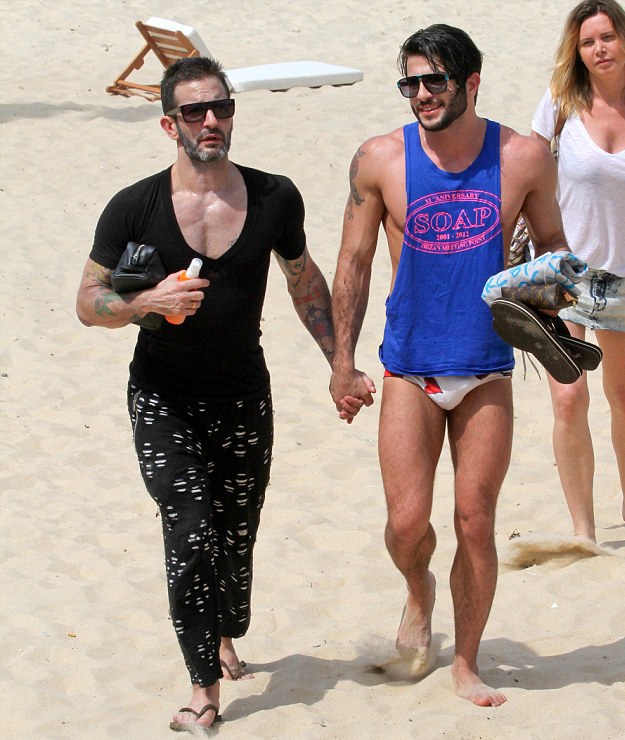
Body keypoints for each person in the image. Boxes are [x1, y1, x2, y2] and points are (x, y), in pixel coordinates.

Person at [76, 56, 342, 734]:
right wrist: (146, 302)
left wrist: (339, 363)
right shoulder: (134, 206)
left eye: (220, 106)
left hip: (243, 396)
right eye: (194, 111)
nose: (211, 120)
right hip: (162, 397)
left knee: (235, 535)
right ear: (170, 124)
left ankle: (225, 633)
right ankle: (203, 688)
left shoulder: (275, 197)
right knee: (191, 529)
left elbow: (304, 281)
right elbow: (87, 301)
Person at [329, 24, 571, 707]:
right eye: (410, 83)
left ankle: (466, 661)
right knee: (407, 524)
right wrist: (342, 363)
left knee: (474, 519)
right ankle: (419, 588)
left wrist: (548, 303)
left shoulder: (523, 157)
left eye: (434, 80)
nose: (422, 94)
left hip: (486, 364)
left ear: (471, 82)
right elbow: (353, 261)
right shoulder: (380, 158)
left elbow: (553, 243)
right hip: (409, 364)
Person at [531, 0, 625, 542]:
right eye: (588, 41)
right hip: (564, 274)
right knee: (569, 398)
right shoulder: (560, 102)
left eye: (607, 37)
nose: (599, 49)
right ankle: (583, 531)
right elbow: (528, 170)